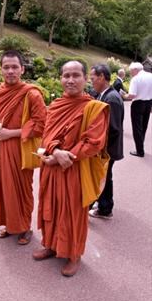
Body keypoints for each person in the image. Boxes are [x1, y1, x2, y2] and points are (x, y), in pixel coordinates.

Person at [33, 61, 110, 277]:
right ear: (60, 79)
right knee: (51, 207)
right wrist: (54, 151)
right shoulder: (56, 105)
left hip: (74, 169)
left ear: (86, 79)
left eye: (76, 75)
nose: (70, 80)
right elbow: (46, 134)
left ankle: (74, 254)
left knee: (73, 212)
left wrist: (63, 156)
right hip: (51, 167)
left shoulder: (94, 108)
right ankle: (51, 244)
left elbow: (94, 142)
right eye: (66, 75)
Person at [0, 50, 47, 244]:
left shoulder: (32, 94)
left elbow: (41, 125)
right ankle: (8, 224)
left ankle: (24, 228)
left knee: (21, 190)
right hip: (0, 149)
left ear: (22, 69)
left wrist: (11, 133)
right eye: (6, 67)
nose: (10, 71)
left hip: (21, 151)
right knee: (3, 189)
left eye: (14, 67)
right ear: (1, 69)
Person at [89, 64, 124, 219]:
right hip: (106, 147)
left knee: (104, 177)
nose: (91, 82)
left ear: (102, 77)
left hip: (108, 148)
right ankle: (102, 204)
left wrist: (99, 148)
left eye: (93, 78)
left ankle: (105, 208)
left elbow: (113, 129)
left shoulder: (112, 99)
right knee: (104, 176)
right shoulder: (105, 94)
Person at [121, 62, 152, 157]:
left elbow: (132, 95)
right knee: (144, 126)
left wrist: (123, 95)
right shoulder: (151, 75)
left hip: (138, 104)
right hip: (148, 103)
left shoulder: (136, 79)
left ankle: (139, 151)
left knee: (137, 128)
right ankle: (140, 145)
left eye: (131, 71)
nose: (130, 73)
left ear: (135, 69)